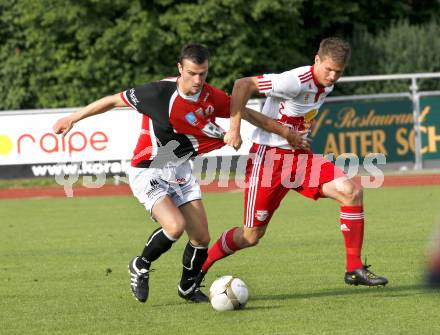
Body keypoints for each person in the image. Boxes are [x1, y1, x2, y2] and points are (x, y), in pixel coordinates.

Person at [53, 43, 303, 304]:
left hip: (180, 168)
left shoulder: (208, 95)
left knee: (201, 237)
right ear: (180, 68)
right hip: (149, 167)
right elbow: (113, 100)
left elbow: (242, 109)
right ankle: (140, 264)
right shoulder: (158, 93)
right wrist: (73, 118)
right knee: (174, 226)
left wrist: (284, 133)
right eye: (192, 73)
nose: (197, 80)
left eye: (203, 74)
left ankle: (187, 287)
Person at [199, 37, 389, 287]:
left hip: (298, 160)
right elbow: (242, 84)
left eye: (338, 72)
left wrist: (299, 135)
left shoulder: (326, 85)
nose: (332, 76)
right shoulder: (295, 81)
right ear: (317, 60)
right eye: (328, 69)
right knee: (251, 235)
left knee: (351, 191)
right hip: (268, 159)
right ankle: (200, 268)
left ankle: (353, 268)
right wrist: (235, 129)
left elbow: (300, 114)